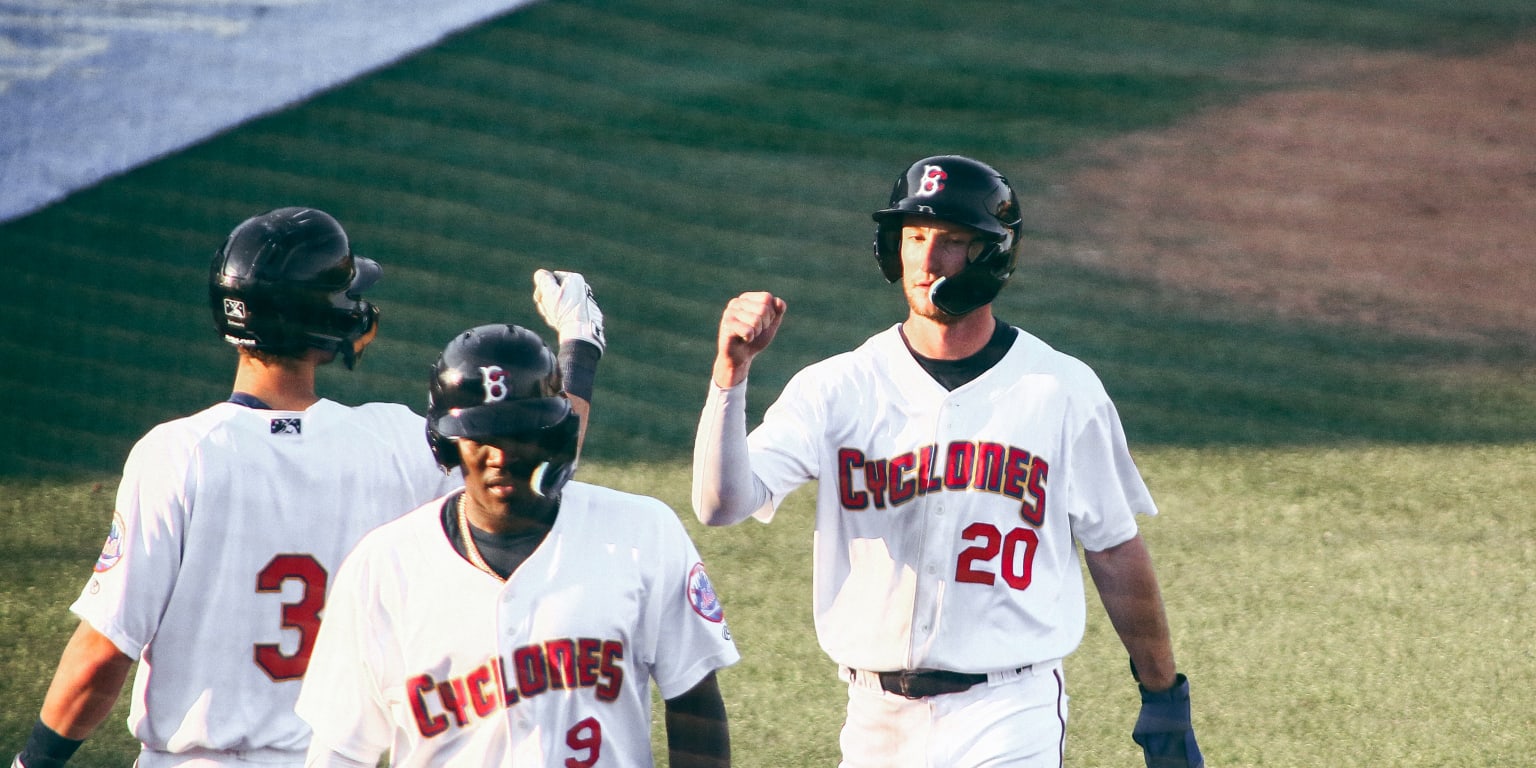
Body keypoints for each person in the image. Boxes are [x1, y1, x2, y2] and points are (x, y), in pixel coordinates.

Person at [692, 155, 1203, 768]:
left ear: (993, 256)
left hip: (1009, 710)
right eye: (913, 238)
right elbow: (720, 505)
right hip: (873, 718)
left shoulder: (1060, 389)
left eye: (952, 241)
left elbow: (1115, 548)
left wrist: (1162, 694)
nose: (927, 260)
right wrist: (730, 375)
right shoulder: (837, 388)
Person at [9, 207, 461, 768]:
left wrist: (34, 761)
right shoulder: (396, 443)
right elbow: (529, 464)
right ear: (322, 317)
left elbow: (103, 655)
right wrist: (578, 353)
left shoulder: (178, 454)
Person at [295, 319, 739, 768]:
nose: (500, 455)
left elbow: (694, 703)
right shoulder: (384, 567)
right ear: (447, 444)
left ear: (554, 434)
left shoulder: (642, 533)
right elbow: (341, 751)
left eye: (519, 431)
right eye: (481, 436)